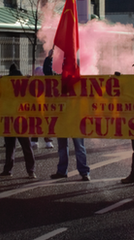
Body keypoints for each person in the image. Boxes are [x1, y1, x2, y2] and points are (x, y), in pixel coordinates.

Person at [44, 49, 91, 181]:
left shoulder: (79, 81)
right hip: (63, 118)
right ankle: (63, 171)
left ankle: (83, 171)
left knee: (78, 147)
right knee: (63, 147)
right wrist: (49, 58)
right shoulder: (59, 79)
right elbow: (48, 74)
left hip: (74, 118)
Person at [0, 64, 36, 179]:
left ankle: (8, 170)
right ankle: (31, 171)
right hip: (21, 120)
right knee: (26, 147)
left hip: (10, 120)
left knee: (10, 147)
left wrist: (0, 80)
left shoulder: (6, 87)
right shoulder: (24, 87)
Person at [30, 65, 54, 149]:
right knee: (38, 123)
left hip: (43, 107)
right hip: (37, 106)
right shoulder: (33, 82)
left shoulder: (46, 83)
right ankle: (37, 141)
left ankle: (37, 141)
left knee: (42, 123)